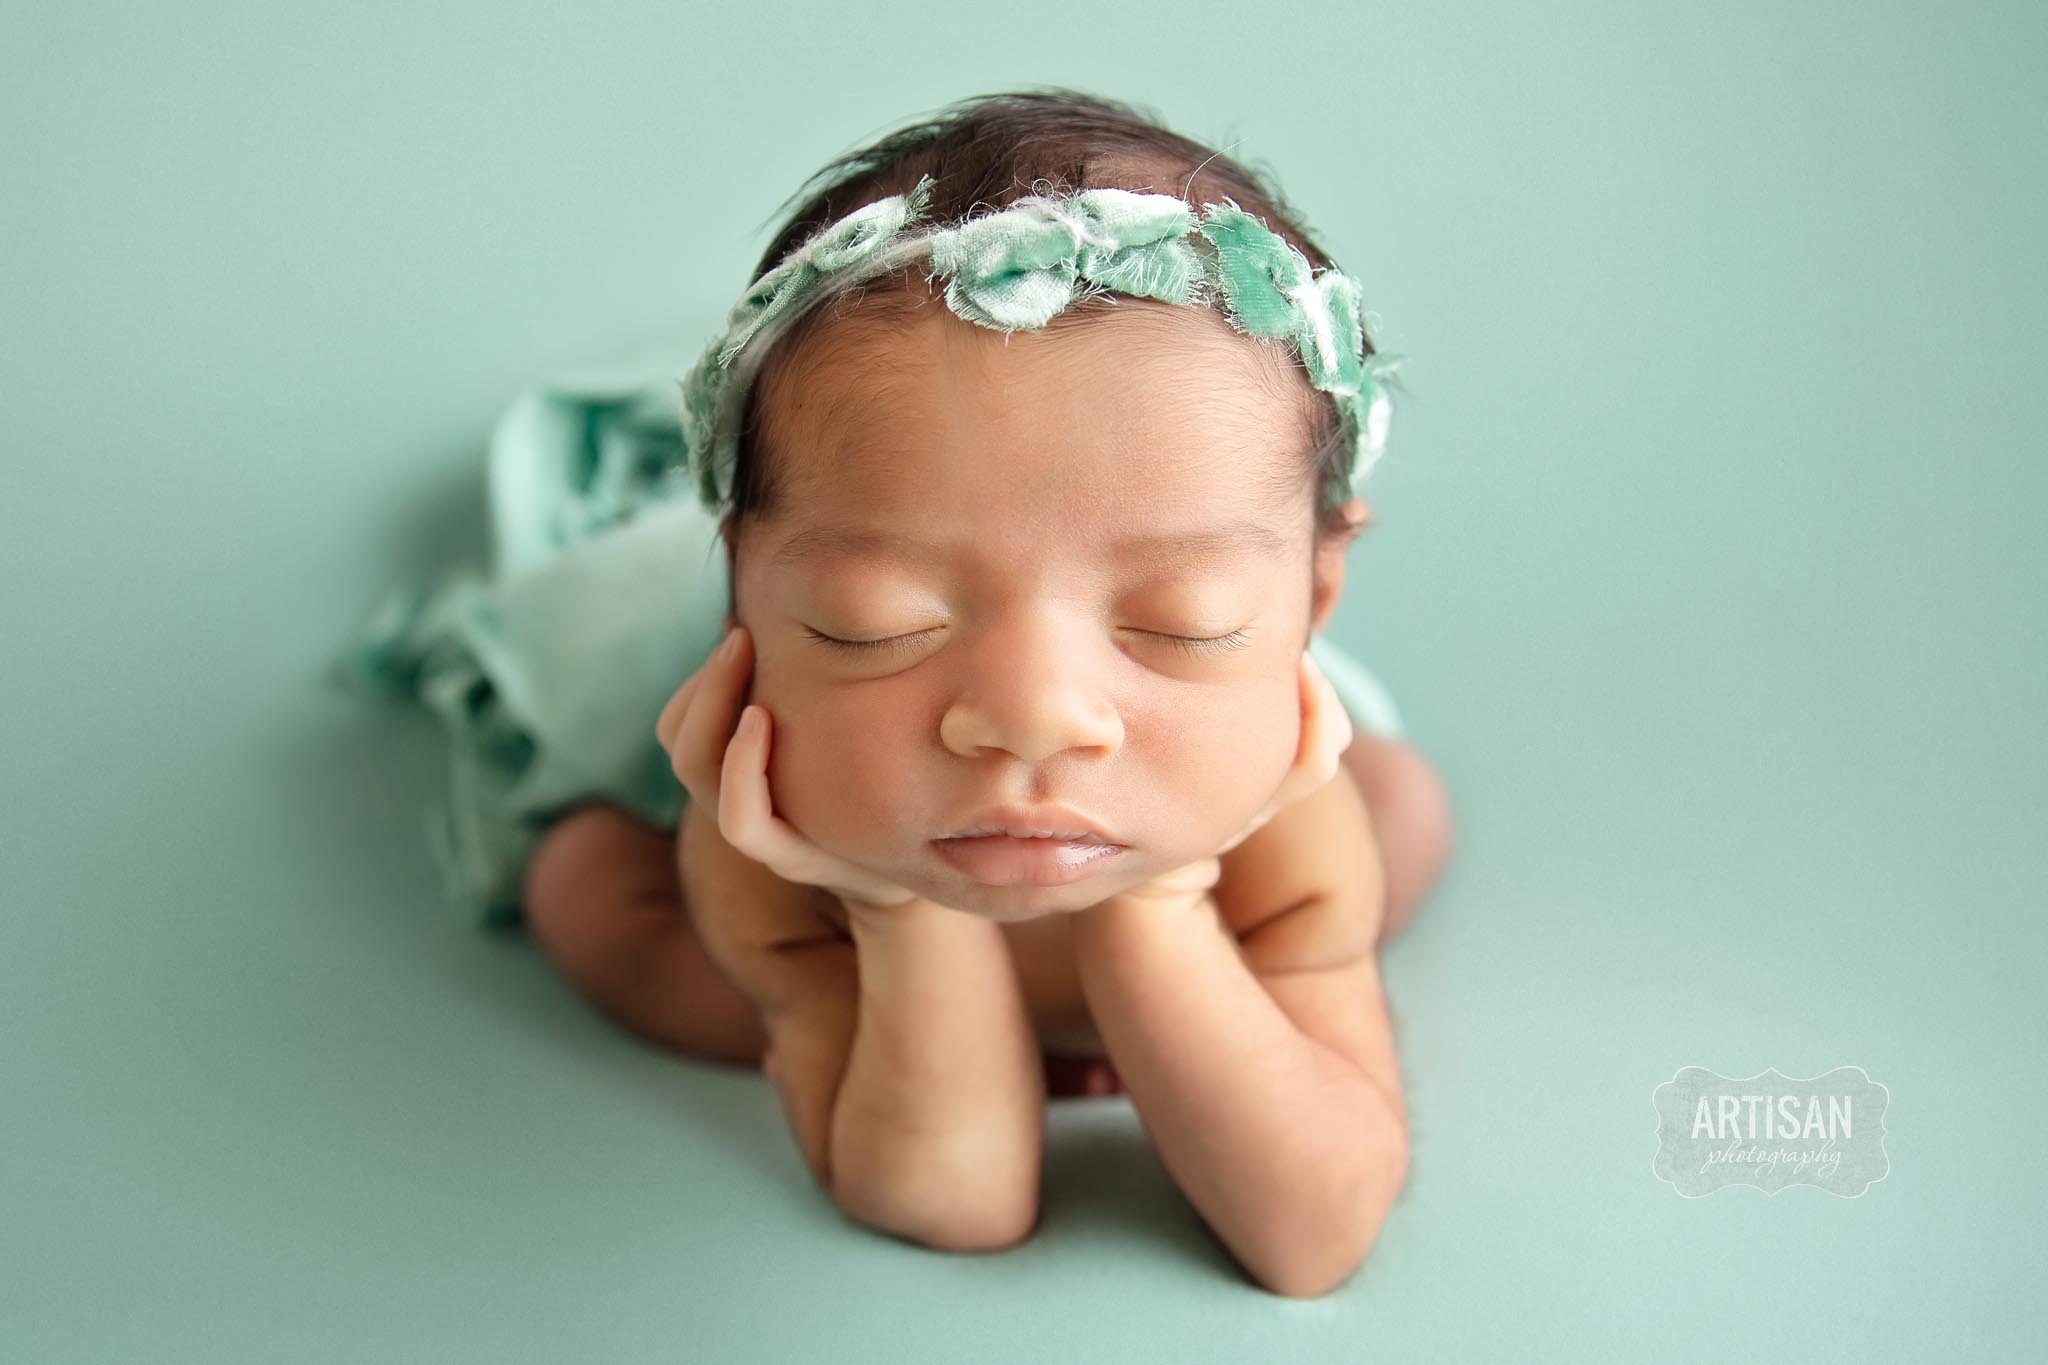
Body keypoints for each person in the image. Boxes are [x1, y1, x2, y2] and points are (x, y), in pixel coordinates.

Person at [348, 88, 1453, 1298]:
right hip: (836, 908)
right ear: (743, 607)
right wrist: (886, 907)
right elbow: (954, 1201)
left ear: (1311, 603)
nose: (1031, 716)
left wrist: (1168, 899)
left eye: (1181, 623)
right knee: (596, 911)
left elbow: (1311, 1235)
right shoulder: (768, 843)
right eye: (875, 625)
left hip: (1221, 850)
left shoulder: (1280, 831)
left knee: (1400, 815)